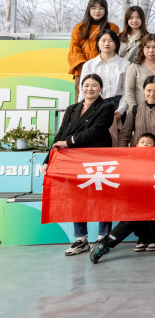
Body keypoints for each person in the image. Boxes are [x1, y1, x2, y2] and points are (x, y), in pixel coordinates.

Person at [87, 133, 155, 264]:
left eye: (149, 143)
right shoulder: (128, 163)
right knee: (128, 223)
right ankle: (104, 245)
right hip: (137, 204)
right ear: (136, 146)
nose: (145, 145)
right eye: (142, 142)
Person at [44, 73, 115, 256]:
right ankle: (81, 240)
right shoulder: (72, 108)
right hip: (74, 160)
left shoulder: (106, 107)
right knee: (77, 198)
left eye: (94, 85)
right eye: (86, 85)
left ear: (101, 89)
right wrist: (48, 159)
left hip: (98, 158)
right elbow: (61, 134)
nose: (89, 89)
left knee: (101, 198)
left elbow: (95, 131)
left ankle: (102, 239)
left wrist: (68, 142)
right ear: (81, 88)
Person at [68, 0, 119, 88]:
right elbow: (74, 48)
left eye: (101, 8)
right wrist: (85, 65)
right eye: (94, 8)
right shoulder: (79, 28)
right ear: (89, 9)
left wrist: (100, 66)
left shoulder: (112, 28)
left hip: (105, 70)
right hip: (82, 71)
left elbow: (113, 49)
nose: (97, 11)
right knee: (83, 96)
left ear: (106, 10)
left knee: (105, 96)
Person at [118, 76, 155, 147]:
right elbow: (124, 135)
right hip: (137, 153)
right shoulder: (136, 109)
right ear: (144, 90)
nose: (152, 94)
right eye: (149, 90)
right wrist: (123, 151)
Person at [79, 28, 130, 108]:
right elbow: (82, 90)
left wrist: (120, 110)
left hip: (117, 105)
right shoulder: (89, 65)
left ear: (116, 44)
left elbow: (127, 91)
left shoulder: (125, 65)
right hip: (94, 106)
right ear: (98, 44)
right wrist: (82, 109)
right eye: (103, 40)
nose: (106, 43)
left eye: (110, 41)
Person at [123, 33, 155, 119]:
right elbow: (129, 90)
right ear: (142, 48)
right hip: (138, 112)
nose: (151, 51)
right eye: (147, 47)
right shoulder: (134, 67)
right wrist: (134, 109)